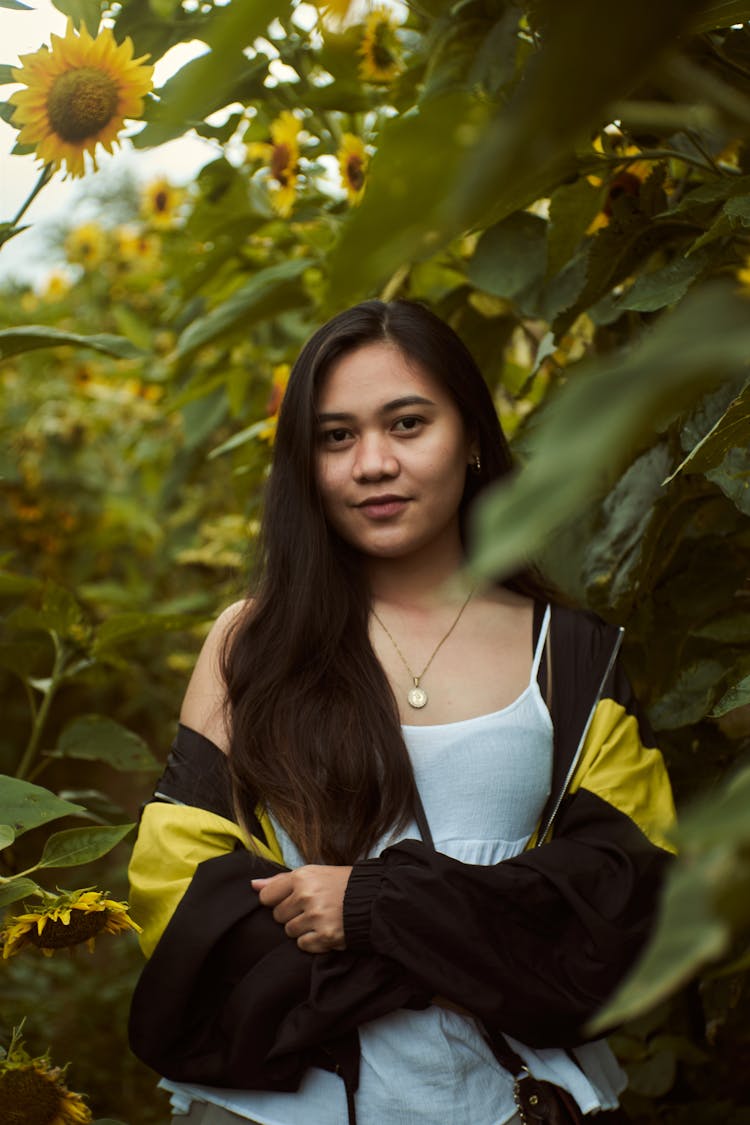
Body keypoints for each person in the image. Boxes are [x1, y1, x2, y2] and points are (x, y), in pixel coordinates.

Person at [128, 299, 676, 1125]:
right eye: (336, 436)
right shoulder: (251, 642)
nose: (372, 462)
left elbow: (628, 891)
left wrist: (375, 909)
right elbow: (178, 896)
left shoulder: (569, 652)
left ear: (474, 437)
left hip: (508, 1097)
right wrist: (470, 939)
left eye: (407, 423)